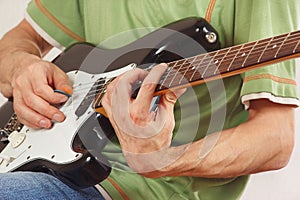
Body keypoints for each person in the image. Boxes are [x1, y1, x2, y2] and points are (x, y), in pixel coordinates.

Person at [0, 0, 299, 199]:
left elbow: (276, 139)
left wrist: (163, 159)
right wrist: (20, 66)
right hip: (42, 160)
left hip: (143, 192)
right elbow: (20, 39)